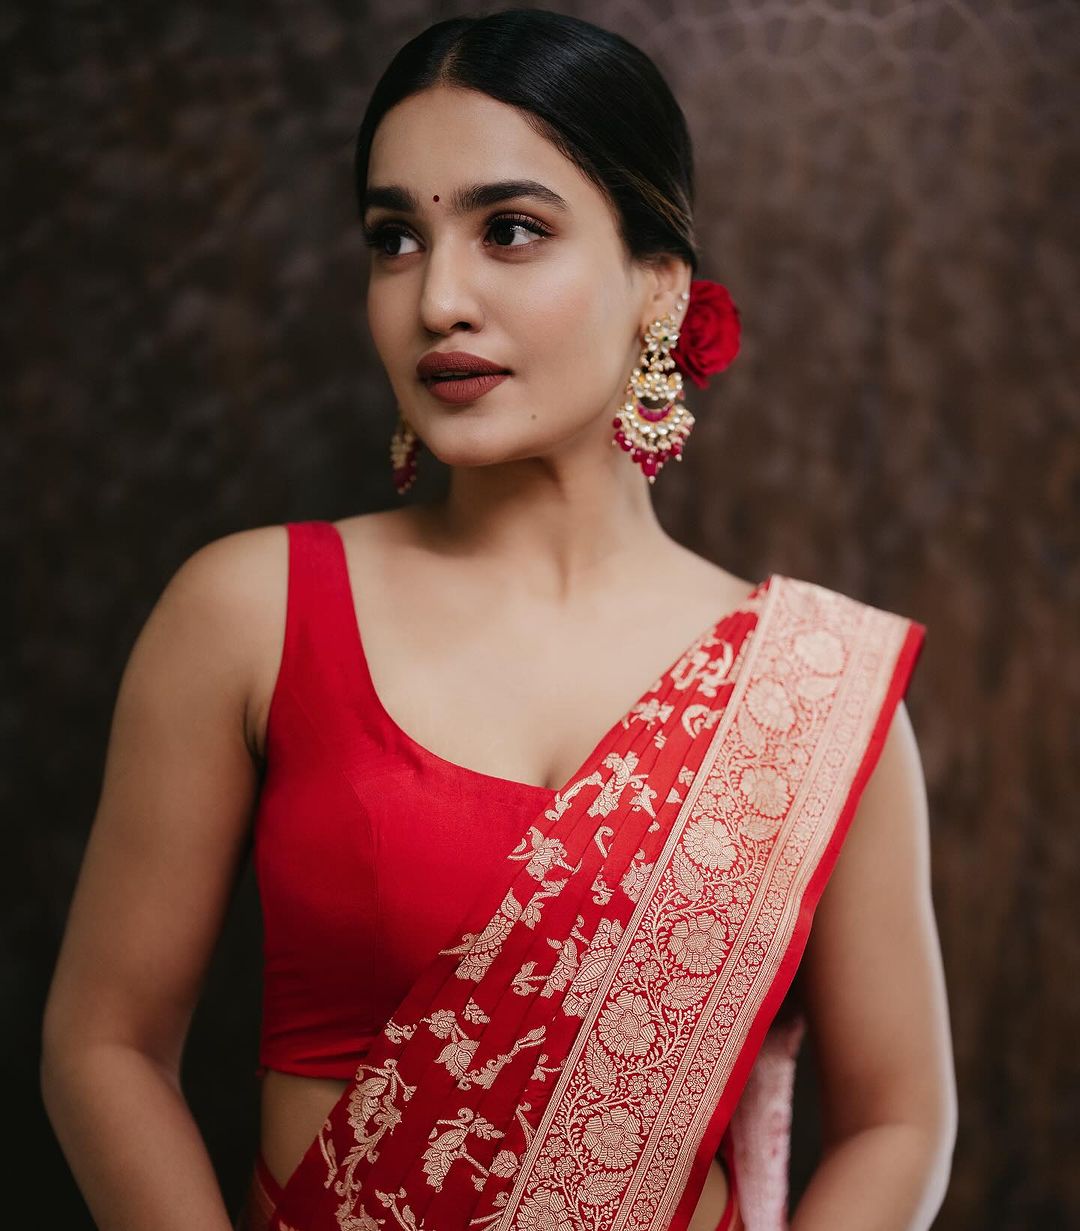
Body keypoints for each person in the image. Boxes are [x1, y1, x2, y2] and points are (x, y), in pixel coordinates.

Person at [40, 9, 957, 1231]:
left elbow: (902, 1119)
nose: (439, 297)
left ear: (658, 285)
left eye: (511, 230)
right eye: (394, 239)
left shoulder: (816, 691)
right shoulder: (252, 610)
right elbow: (104, 1042)